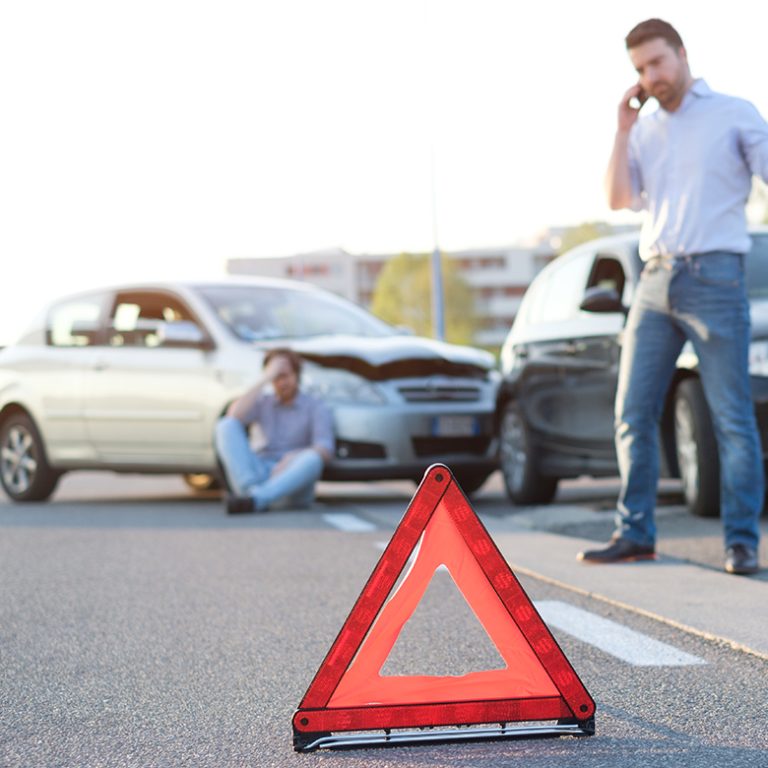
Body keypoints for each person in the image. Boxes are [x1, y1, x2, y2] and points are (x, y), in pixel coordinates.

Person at [579, 18, 768, 574]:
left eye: (658, 62)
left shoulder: (733, 112)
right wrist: (620, 129)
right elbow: (618, 199)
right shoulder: (643, 129)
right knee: (632, 411)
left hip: (716, 277)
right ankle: (635, 533)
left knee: (730, 415)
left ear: (682, 54)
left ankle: (741, 541)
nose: (651, 76)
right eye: (640, 69)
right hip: (656, 279)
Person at [215, 348, 334, 513]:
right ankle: (255, 496)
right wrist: (265, 377)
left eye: (285, 375)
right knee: (225, 425)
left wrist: (294, 456)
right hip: (259, 475)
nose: (281, 382)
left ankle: (256, 499)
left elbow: (325, 449)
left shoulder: (315, 406)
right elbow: (233, 415)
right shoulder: (262, 401)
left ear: (297, 375)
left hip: (291, 482)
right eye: (276, 377)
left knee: (313, 458)